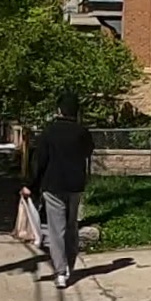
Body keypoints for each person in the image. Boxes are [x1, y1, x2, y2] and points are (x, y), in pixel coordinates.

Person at [22, 106, 98, 278]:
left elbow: (40, 161)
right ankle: (70, 264)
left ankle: (61, 272)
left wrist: (30, 185)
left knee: (56, 229)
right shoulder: (82, 132)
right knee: (72, 226)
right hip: (75, 185)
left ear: (59, 110)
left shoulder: (49, 132)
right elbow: (88, 152)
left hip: (53, 185)